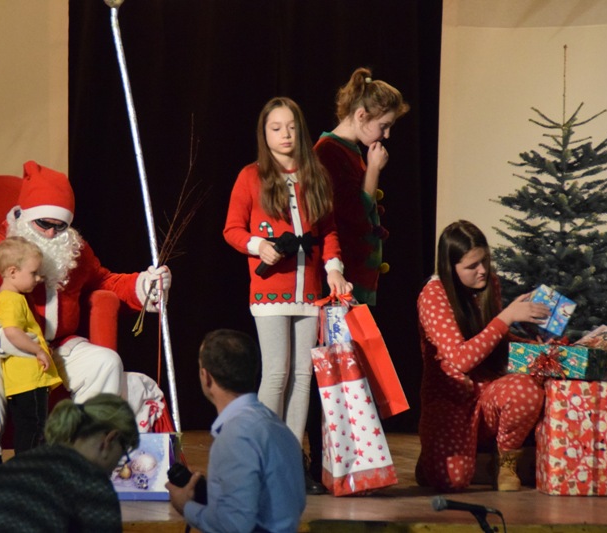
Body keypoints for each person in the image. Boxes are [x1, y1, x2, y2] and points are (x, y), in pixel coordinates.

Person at [0, 161, 171, 495]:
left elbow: (103, 280)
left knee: (106, 362)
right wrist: (10, 341)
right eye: (44, 224)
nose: (50, 234)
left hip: (58, 346)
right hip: (6, 347)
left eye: (60, 226)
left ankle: (76, 461)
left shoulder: (73, 247)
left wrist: (142, 286)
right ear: (26, 215)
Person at [223, 97, 350, 451]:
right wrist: (257, 245)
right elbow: (232, 229)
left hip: (309, 292)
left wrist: (333, 269)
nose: (285, 135)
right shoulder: (251, 177)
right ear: (264, 133)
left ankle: (291, 453)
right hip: (270, 292)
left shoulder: (315, 176)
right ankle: (266, 451)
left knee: (303, 374)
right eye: (276, 128)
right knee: (277, 372)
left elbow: (328, 231)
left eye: (291, 128)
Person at [416, 220, 549, 492]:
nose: (483, 270)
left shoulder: (490, 285)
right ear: (451, 268)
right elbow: (461, 360)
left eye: (485, 261)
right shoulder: (434, 294)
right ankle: (434, 457)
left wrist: (535, 348)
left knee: (525, 390)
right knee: (451, 481)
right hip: (450, 398)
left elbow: (494, 338)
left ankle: (505, 462)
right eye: (472, 266)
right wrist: (506, 318)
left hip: (487, 392)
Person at [166, 329, 306, 532]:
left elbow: (234, 525)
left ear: (206, 377)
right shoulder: (279, 427)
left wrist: (186, 506)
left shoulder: (236, 435)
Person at [0, 394, 139, 533]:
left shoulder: (9, 468)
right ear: (109, 439)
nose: (118, 464)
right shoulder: (91, 481)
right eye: (123, 452)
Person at [313, 66, 409, 306]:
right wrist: (374, 169)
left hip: (356, 277)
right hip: (341, 281)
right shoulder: (328, 152)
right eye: (383, 125)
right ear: (361, 115)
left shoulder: (351, 150)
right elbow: (353, 214)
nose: (387, 135)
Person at [0, 237, 61, 454]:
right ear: (12, 272)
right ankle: (29, 471)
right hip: (28, 379)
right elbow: (12, 332)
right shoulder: (11, 300)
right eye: (33, 273)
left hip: (25, 380)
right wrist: (38, 350)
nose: (38, 278)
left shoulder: (11, 298)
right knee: (34, 430)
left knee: (30, 430)